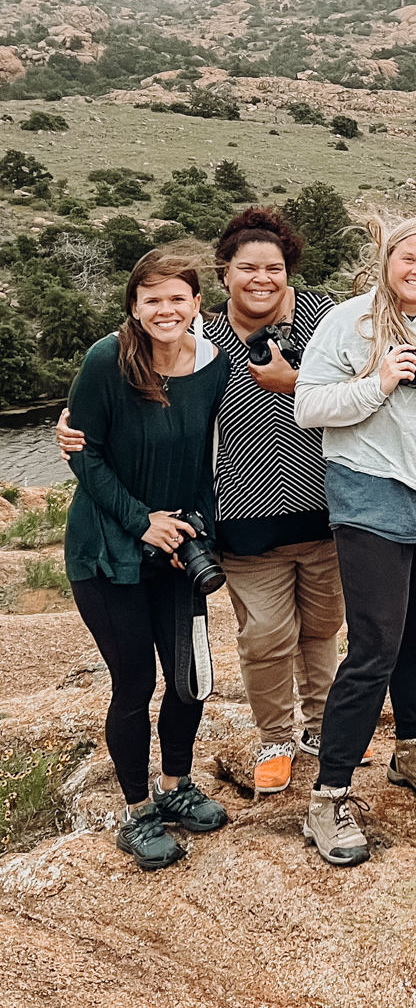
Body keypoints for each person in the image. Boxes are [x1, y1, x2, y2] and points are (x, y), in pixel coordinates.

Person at [57, 208, 363, 796]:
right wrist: (74, 430)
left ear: (288, 272)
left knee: (323, 628)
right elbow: (128, 407)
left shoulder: (326, 322)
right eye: (247, 268)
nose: (261, 278)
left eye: (273, 267)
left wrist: (293, 383)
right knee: (267, 635)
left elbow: (368, 388)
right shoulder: (207, 338)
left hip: (325, 508)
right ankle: (275, 736)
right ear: (223, 277)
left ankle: (323, 730)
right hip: (242, 516)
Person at [293, 213, 416, 866]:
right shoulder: (349, 322)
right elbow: (309, 407)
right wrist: (378, 382)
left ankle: (411, 748)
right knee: (376, 645)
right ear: (386, 260)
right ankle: (328, 797)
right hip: (371, 500)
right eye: (409, 257)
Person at [63, 250, 231, 871]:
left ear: (196, 305)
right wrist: (143, 521)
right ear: (134, 306)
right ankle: (137, 811)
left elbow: (212, 450)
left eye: (177, 298)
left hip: (177, 548)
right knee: (135, 683)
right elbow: (85, 454)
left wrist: (195, 528)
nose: (166, 310)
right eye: (152, 299)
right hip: (110, 550)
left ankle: (177, 785)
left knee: (189, 680)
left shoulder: (212, 364)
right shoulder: (107, 362)